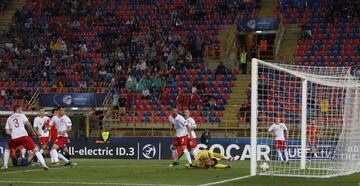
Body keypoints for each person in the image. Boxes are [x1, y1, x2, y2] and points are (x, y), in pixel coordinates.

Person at [1, 105, 49, 170]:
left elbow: (7, 131)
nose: (21, 111)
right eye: (21, 109)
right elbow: (28, 124)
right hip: (24, 136)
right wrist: (33, 132)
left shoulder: (9, 118)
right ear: (18, 110)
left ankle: (5, 166)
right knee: (35, 150)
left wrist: (13, 133)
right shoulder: (22, 115)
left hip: (14, 138)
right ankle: (44, 164)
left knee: (7, 147)